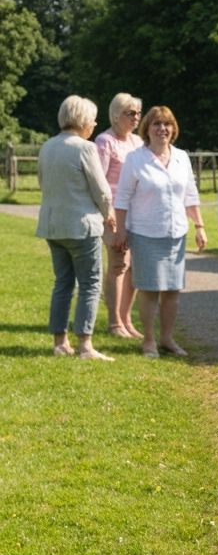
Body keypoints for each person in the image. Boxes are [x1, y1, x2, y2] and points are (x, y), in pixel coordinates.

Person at [114, 106, 207, 357]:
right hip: (145, 234)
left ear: (173, 129)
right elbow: (122, 197)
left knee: (173, 290)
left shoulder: (181, 157)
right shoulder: (135, 159)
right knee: (150, 290)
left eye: (167, 124)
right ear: (147, 129)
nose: (162, 129)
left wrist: (199, 226)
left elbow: (190, 194)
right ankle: (148, 340)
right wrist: (121, 230)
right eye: (156, 124)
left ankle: (167, 338)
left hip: (176, 234)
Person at [36, 95, 116, 361]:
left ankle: (60, 342)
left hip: (53, 225)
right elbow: (101, 189)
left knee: (63, 283)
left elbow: (42, 182)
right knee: (91, 283)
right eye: (93, 119)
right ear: (83, 120)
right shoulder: (85, 148)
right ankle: (85, 345)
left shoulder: (47, 146)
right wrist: (109, 213)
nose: (94, 124)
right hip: (82, 226)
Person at [95, 93, 144, 338]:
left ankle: (126, 319)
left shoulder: (137, 142)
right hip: (114, 214)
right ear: (116, 115)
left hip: (138, 214)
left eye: (137, 112)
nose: (136, 117)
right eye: (130, 113)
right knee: (118, 264)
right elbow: (98, 182)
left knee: (134, 267)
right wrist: (108, 214)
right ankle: (114, 322)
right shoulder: (105, 142)